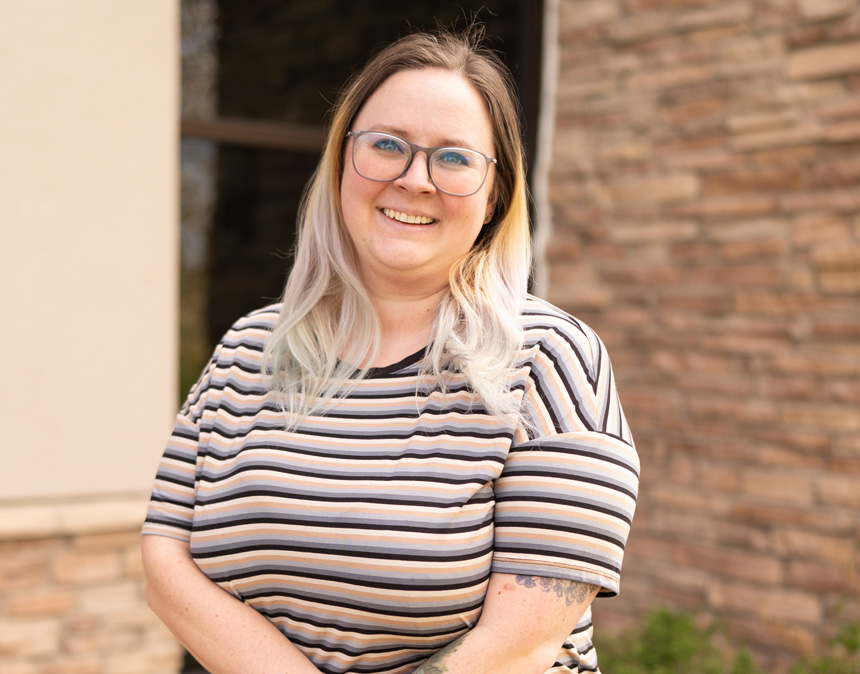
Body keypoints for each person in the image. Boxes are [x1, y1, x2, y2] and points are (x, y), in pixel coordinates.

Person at [142, 26, 639, 674]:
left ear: (494, 196)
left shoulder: (550, 360)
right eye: (386, 146)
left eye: (454, 158)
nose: (414, 180)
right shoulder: (248, 348)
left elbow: (522, 643)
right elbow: (165, 562)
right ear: (344, 162)